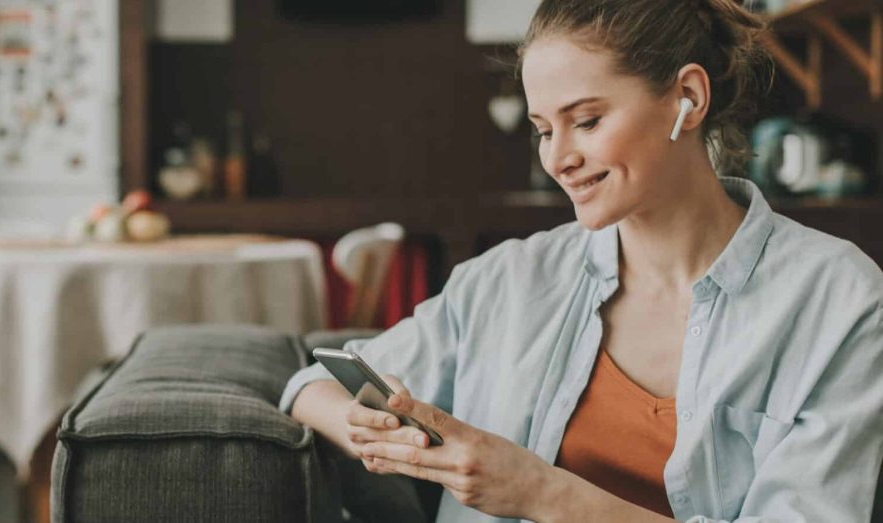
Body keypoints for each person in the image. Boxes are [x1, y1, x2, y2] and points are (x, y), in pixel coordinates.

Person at [279, 0, 883, 521]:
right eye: (544, 129)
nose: (558, 158)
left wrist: (544, 493)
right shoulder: (509, 279)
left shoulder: (839, 300)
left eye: (587, 121)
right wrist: (376, 433)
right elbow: (311, 387)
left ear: (688, 98)